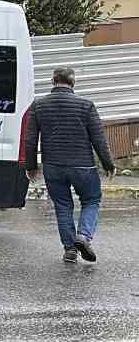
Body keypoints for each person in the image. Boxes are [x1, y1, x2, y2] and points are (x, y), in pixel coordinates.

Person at [23, 67, 115, 263]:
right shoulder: (86, 105)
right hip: (83, 165)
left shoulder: (39, 105)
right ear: (72, 82)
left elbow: (30, 139)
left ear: (53, 81)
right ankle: (83, 236)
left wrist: (31, 166)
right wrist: (108, 164)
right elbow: (98, 139)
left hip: (53, 166)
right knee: (91, 201)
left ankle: (70, 249)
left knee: (63, 205)